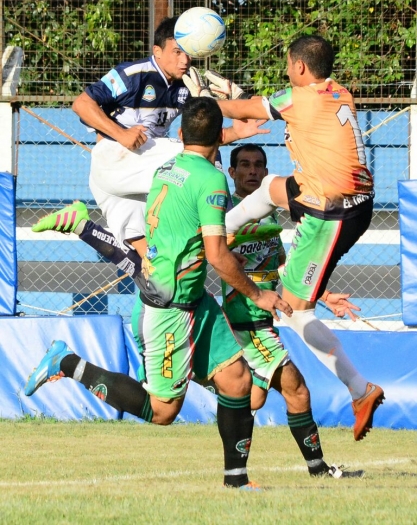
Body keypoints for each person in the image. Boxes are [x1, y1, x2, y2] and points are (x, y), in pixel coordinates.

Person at [25, 97, 292, 490]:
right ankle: (67, 362)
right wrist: (258, 294)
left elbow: (191, 233)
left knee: (239, 382)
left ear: (180, 134)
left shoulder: (167, 167)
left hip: (192, 297)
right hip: (169, 307)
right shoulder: (211, 178)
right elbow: (217, 254)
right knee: (163, 411)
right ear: (219, 138)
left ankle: (237, 482)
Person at [191, 34, 384, 441]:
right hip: (341, 197)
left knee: (296, 312)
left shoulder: (299, 98)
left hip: (331, 212)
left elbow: (240, 109)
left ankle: (360, 389)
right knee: (269, 188)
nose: (286, 71)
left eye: (287, 65)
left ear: (299, 67)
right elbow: (262, 106)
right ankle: (219, 231)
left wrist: (202, 102)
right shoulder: (337, 91)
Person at [31, 16, 269, 262]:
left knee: (147, 262)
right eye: (177, 52)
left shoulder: (186, 84)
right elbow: (81, 104)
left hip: (126, 174)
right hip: (116, 157)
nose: (185, 60)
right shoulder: (133, 74)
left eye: (188, 53)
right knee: (201, 160)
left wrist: (236, 132)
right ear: (157, 51)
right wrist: (121, 134)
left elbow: (205, 134)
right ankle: (229, 223)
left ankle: (80, 224)